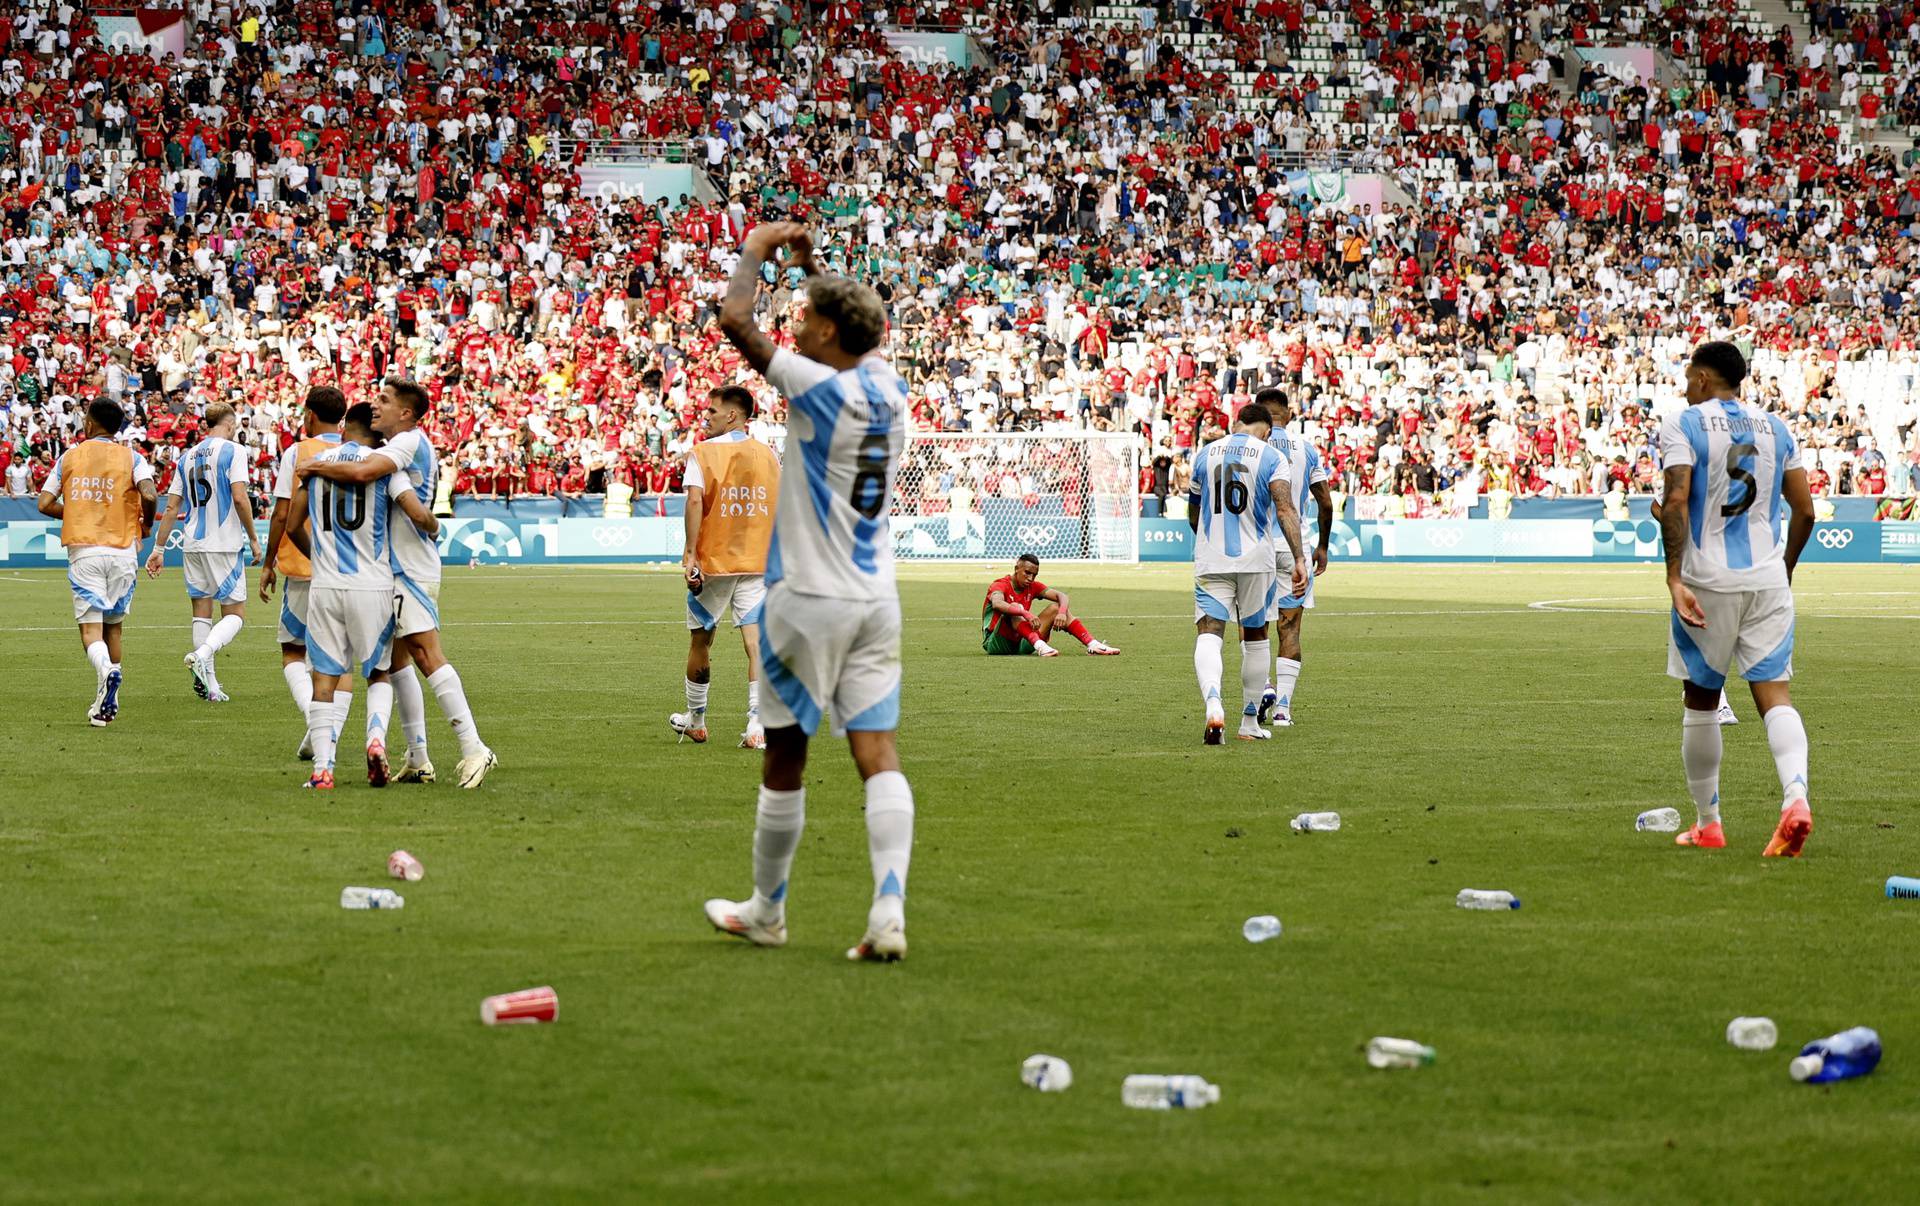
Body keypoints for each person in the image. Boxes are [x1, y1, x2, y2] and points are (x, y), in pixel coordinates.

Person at [701, 221, 916, 963]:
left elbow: (733, 320)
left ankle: (767, 911)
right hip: (875, 599)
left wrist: (759, 247)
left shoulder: (817, 388)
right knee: (878, 754)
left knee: (786, 758)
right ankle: (889, 910)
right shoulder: (890, 387)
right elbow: (850, 326)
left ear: (827, 331)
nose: (793, 329)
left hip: (807, 599)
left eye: (803, 320)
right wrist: (815, 270)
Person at [1657, 341, 1817, 856]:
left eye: (1688, 377)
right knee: (1775, 694)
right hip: (1767, 577)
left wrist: (1674, 577)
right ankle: (1795, 799)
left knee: (1701, 698)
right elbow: (1805, 511)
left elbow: (1678, 499)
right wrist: (1784, 569)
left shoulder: (1684, 423)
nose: (1685, 386)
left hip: (1708, 579)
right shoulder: (1777, 427)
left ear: (1703, 378)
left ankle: (1708, 823)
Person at [300, 379, 497, 788]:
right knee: (398, 664)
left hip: (410, 569)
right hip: (392, 570)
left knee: (427, 656)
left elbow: (366, 473)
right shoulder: (397, 447)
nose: (376, 405)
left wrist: (316, 465)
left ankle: (474, 747)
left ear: (405, 413)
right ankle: (419, 756)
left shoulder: (405, 444)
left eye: (384, 401)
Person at [286, 403, 439, 790]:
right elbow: (416, 513)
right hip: (372, 584)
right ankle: (375, 740)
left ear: (344, 426)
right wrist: (433, 528)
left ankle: (323, 769)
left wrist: (319, 560)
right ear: (372, 431)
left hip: (325, 585)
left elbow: (292, 525)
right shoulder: (384, 466)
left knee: (324, 677)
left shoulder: (317, 463)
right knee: (377, 672)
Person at [1188, 402, 1307, 744]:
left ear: (1236, 423)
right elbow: (1285, 509)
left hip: (1212, 558)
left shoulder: (1205, 454)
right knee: (1255, 636)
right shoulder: (1271, 456)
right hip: (1257, 558)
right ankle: (1249, 722)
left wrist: (1206, 541)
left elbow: (1193, 515)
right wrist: (1299, 557)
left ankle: (1213, 702)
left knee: (1209, 632)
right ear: (1267, 431)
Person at [671, 384, 779, 748]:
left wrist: (690, 555)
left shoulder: (702, 453)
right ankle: (757, 726)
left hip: (715, 563)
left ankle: (696, 720)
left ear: (732, 415)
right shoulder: (768, 455)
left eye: (712, 412)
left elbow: (694, 503)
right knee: (758, 644)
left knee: (701, 640)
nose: (706, 417)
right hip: (758, 561)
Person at [37, 397, 157, 726]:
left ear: (89, 424)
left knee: (91, 631)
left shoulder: (69, 457)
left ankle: (105, 673)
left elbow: (44, 503)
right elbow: (149, 494)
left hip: (86, 549)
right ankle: (106, 704)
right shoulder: (133, 457)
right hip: (123, 551)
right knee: (113, 628)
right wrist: (145, 524)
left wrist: (78, 510)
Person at [143, 402, 264, 703]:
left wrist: (158, 549)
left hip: (192, 543)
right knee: (235, 615)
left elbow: (171, 507)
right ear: (230, 423)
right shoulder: (234, 451)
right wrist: (253, 538)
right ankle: (202, 654)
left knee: (201, 613)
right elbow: (239, 497)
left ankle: (211, 686)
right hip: (223, 542)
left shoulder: (186, 457)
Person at [261, 385, 347, 760]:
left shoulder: (298, 452)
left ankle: (318, 727)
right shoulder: (359, 453)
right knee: (339, 658)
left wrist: (267, 563)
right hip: (349, 569)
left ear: (310, 414)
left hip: (304, 566)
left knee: (293, 651)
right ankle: (327, 732)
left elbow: (283, 513)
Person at [1256, 389, 1332, 727]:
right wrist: (1323, 547)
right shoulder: (1307, 449)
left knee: (1253, 626)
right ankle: (1283, 709)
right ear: (1288, 412)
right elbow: (1325, 502)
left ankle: (1264, 687)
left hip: (1255, 547)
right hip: (1293, 547)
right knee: (1290, 628)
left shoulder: (1251, 448)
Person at [980, 553, 1120, 656]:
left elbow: (1062, 596)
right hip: (997, 643)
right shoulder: (1000, 585)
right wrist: (1024, 613)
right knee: (1016, 608)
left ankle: (1093, 644)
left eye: (1034, 575)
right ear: (1016, 568)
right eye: (1027, 573)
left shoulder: (1032, 586)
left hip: (1022, 642)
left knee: (1056, 607)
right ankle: (1041, 647)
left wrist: (1061, 612)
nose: (1030, 578)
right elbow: (997, 603)